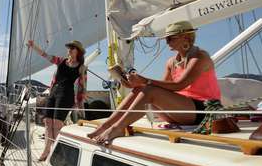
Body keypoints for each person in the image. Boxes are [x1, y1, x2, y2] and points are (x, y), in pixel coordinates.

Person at [88, 20, 221, 145]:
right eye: (166, 39)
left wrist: (144, 80)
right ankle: (107, 125)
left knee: (148, 90)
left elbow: (179, 85)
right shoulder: (171, 62)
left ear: (186, 37)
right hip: (183, 111)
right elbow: (163, 88)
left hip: (203, 111)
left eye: (170, 38)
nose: (167, 42)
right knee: (140, 89)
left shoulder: (200, 57)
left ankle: (118, 128)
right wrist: (137, 84)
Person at [27, 39, 87, 161]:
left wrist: (79, 103)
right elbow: (45, 55)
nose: (69, 50)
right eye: (69, 48)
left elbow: (82, 87)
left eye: (72, 48)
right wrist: (34, 46)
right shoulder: (61, 61)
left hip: (66, 95)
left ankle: (57, 153)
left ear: (78, 51)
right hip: (53, 92)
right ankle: (47, 150)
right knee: (47, 122)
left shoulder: (81, 67)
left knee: (57, 125)